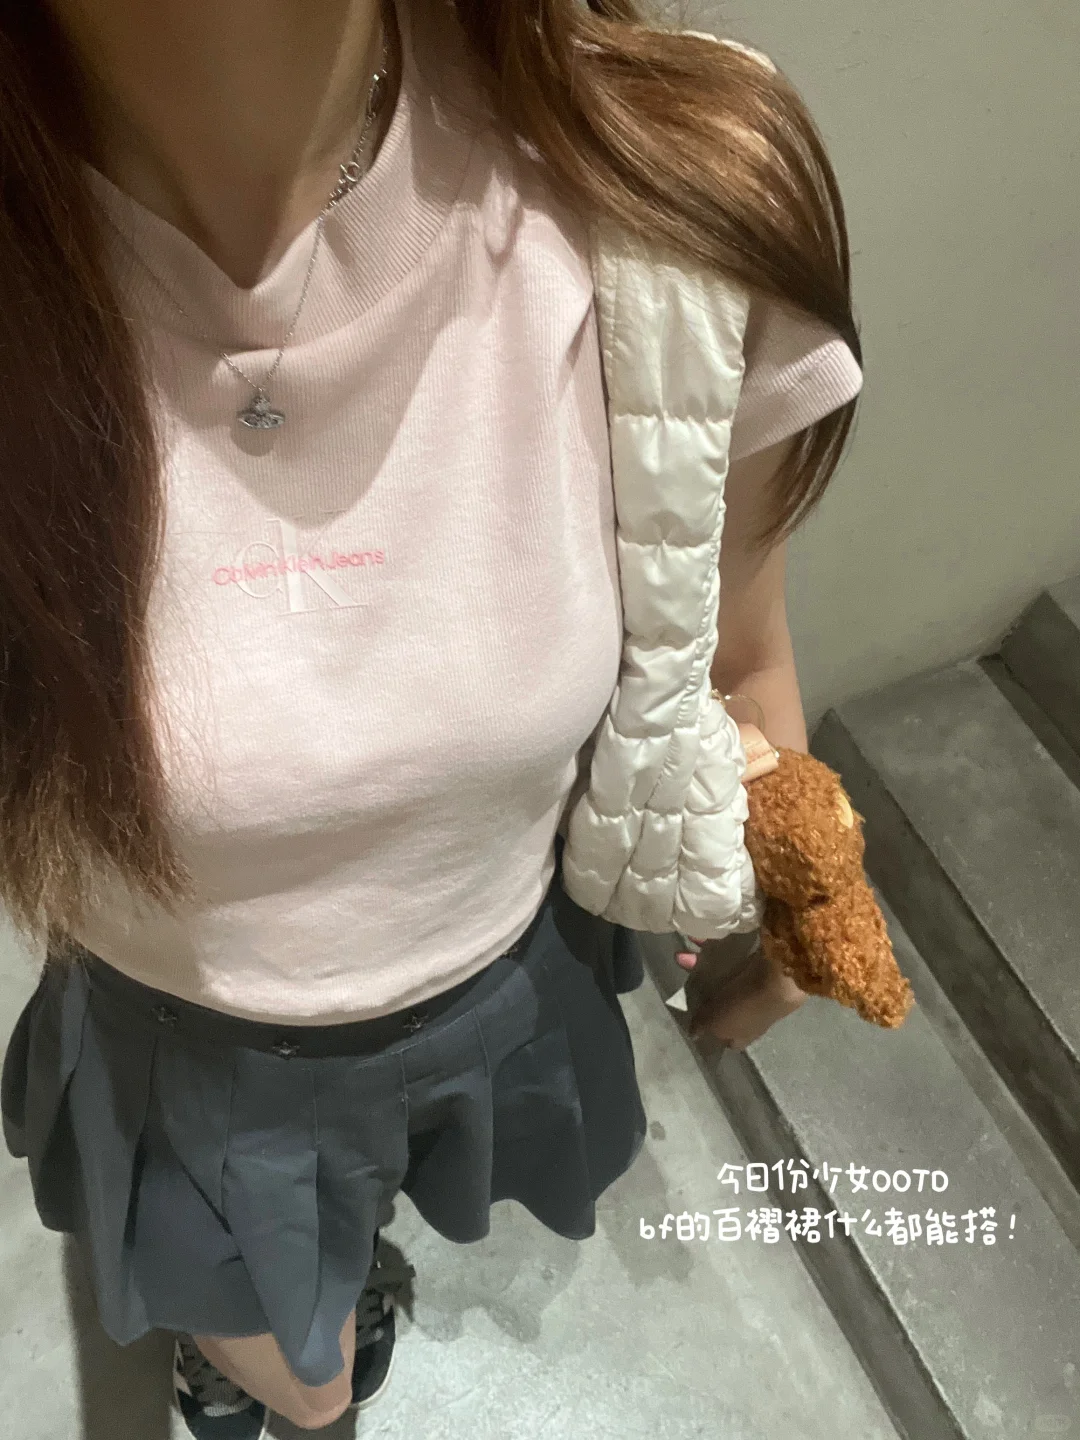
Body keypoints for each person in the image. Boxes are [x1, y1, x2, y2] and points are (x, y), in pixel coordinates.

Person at [0, 0, 862, 1433]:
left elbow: (732, 662)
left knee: (350, 1257)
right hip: (185, 1045)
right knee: (305, 1376)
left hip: (510, 973)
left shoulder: (670, 182)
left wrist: (801, 883)